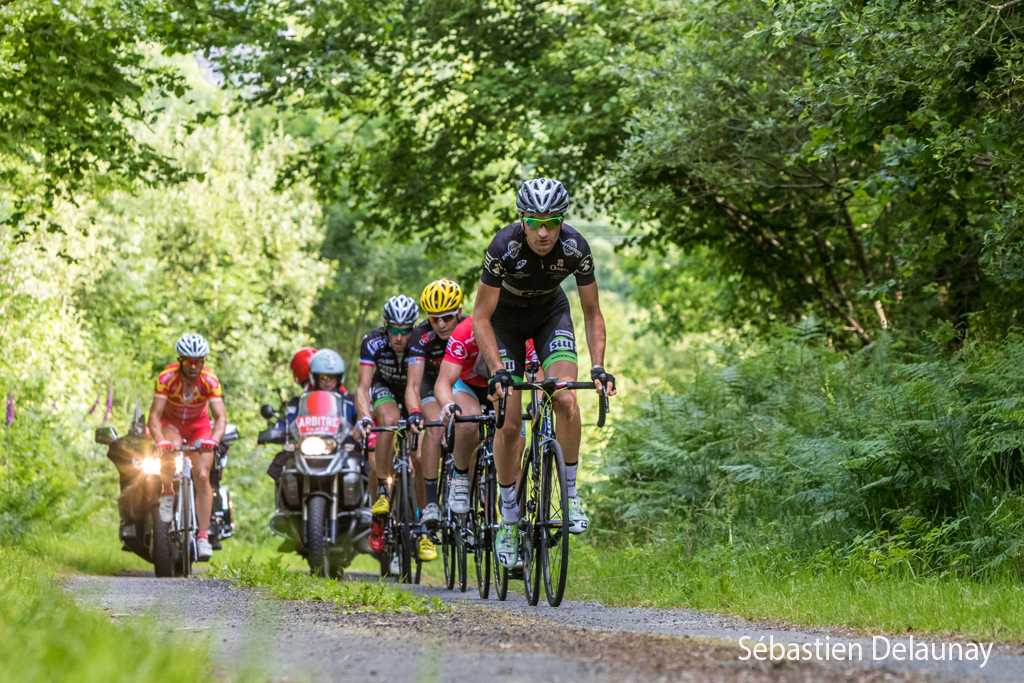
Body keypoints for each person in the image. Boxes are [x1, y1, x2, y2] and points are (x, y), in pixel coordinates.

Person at [472, 177, 617, 569]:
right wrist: (499, 371)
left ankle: (569, 494)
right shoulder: (504, 246)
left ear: (561, 220)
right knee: (510, 421)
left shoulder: (575, 247)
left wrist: (599, 365)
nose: (542, 232)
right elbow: (480, 317)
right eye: (534, 221)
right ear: (522, 218)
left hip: (551, 316)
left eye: (551, 222)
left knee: (567, 397)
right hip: (505, 323)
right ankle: (508, 519)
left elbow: (592, 314)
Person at [434, 316, 539, 520]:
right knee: (468, 419)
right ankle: (461, 474)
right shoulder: (465, 332)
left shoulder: (521, 330)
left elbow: (537, 376)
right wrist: (447, 404)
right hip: (469, 387)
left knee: (516, 442)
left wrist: (538, 403)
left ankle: (512, 518)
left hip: (504, 390)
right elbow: (443, 381)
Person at [354, 295, 432, 560]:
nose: (399, 337)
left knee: (420, 457)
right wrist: (364, 417)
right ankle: (383, 490)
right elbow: (363, 388)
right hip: (385, 388)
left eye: (405, 330)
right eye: (394, 330)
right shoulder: (372, 341)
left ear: (413, 327)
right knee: (387, 421)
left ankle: (424, 524)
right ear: (385, 326)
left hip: (415, 390)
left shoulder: (422, 340)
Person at [148, 333, 227, 561]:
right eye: (189, 362)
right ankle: (167, 492)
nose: (193, 367)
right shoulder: (166, 378)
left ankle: (202, 537)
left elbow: (220, 418)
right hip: (171, 423)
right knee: (169, 448)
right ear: (180, 360)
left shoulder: (210, 381)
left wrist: (214, 439)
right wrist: (159, 440)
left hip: (198, 425)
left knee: (202, 474)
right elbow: (154, 416)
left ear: (203, 362)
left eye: (198, 362)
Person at [406, 279, 466, 530]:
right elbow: (412, 385)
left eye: (447, 317)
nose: (440, 324)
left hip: (462, 383)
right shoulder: (421, 335)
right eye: (434, 318)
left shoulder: (471, 328)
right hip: (430, 386)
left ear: (459, 313)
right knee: (434, 425)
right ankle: (431, 503)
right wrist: (414, 412)